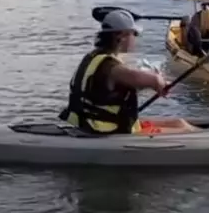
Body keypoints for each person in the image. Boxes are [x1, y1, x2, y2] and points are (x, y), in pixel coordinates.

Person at [61, 9, 197, 135]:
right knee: (184, 129)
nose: (135, 39)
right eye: (134, 34)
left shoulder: (95, 57)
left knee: (179, 123)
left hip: (90, 123)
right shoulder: (112, 68)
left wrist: (152, 85)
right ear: (120, 36)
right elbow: (154, 80)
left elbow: (117, 88)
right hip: (104, 130)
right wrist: (159, 83)